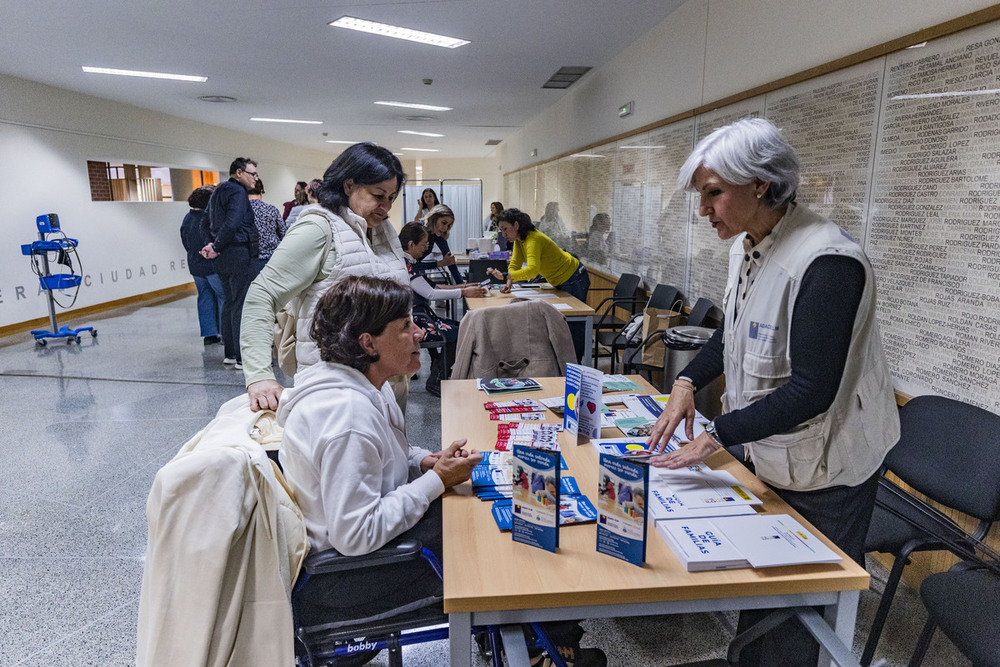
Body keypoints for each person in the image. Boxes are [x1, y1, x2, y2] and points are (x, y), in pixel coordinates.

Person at [644, 117, 899, 667]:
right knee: (762, 586)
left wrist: (715, 435)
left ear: (759, 183)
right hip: (773, 449)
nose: (704, 209)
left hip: (828, 465)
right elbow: (732, 334)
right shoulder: (749, 243)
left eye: (713, 194)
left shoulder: (826, 262)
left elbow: (812, 392)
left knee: (796, 605)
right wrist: (687, 381)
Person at [278, 275, 481, 619]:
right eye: (406, 326)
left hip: (358, 557)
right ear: (368, 343)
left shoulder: (365, 383)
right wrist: (437, 482)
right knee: (482, 528)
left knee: (473, 503)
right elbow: (356, 535)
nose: (421, 333)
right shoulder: (347, 417)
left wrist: (422, 463)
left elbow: (382, 451)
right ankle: (541, 645)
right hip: (345, 578)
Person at [240, 142, 410, 413]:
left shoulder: (382, 231)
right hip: (336, 390)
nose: (386, 206)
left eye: (391, 197)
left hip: (386, 385)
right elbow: (263, 295)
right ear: (349, 186)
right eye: (379, 195)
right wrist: (259, 376)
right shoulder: (318, 228)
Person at [487, 208, 591, 361]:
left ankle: (576, 363)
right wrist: (508, 283)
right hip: (560, 280)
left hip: (574, 277)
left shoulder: (533, 239)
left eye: (505, 229)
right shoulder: (519, 241)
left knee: (575, 323)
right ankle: (562, 360)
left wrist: (505, 275)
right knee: (560, 322)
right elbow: (515, 264)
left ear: (516, 225)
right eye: (501, 230)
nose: (503, 234)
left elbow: (532, 270)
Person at [399, 222, 486, 395]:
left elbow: (434, 287)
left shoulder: (409, 262)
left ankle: (439, 368)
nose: (426, 248)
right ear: (411, 244)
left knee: (461, 327)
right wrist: (462, 292)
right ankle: (437, 377)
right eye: (424, 244)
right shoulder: (406, 266)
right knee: (460, 332)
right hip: (416, 319)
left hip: (421, 315)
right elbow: (431, 293)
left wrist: (466, 286)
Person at [200, 157, 260, 369]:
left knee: (229, 303)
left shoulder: (218, 191)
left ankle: (231, 355)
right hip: (238, 253)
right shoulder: (237, 192)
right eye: (252, 174)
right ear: (239, 172)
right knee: (241, 304)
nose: (255, 178)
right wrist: (215, 247)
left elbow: (204, 222)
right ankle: (242, 359)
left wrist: (213, 245)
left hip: (223, 256)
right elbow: (233, 222)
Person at [179, 185, 223, 346]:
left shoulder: (187, 218)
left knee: (204, 297)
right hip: (212, 266)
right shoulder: (208, 219)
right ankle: (226, 333)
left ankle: (209, 334)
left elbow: (185, 242)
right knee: (223, 297)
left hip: (195, 266)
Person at [415, 204, 463, 284]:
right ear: (434, 218)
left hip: (414, 272)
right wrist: (439, 263)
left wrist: (462, 284)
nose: (445, 228)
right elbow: (410, 265)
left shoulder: (437, 236)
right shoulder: (418, 230)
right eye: (444, 223)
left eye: (448, 226)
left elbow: (450, 262)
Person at [247, 177, 286, 274]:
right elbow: (283, 234)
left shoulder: (240, 211)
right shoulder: (272, 209)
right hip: (272, 260)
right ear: (261, 192)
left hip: (250, 261)